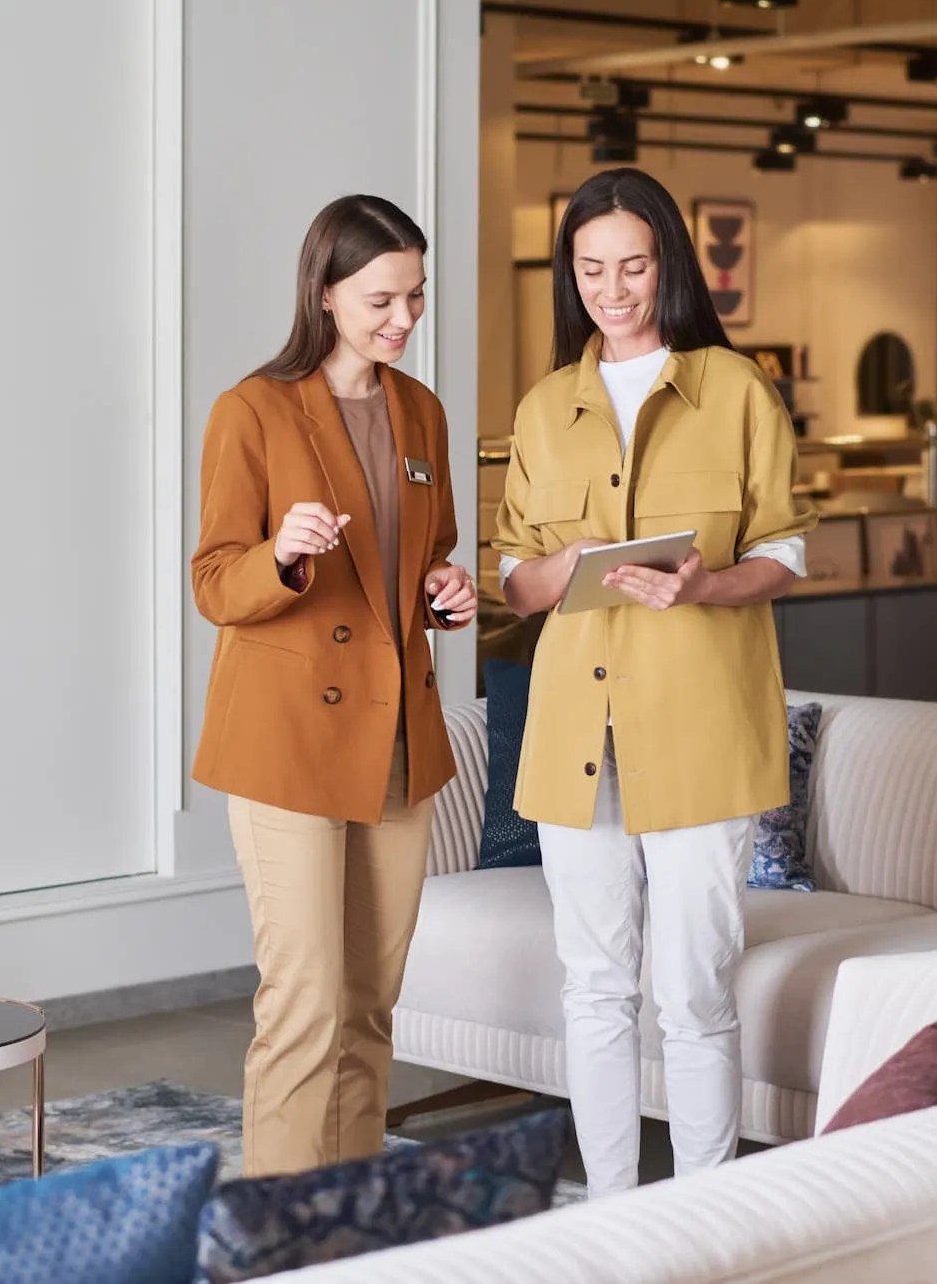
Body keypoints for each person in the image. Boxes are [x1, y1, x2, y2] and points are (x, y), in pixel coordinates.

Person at [492, 168, 813, 1198]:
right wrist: (565, 562)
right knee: (592, 987)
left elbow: (788, 552)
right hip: (573, 731)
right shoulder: (545, 408)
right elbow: (512, 575)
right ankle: (609, 1216)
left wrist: (708, 583)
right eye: (590, 269)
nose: (612, 288)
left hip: (701, 729)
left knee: (692, 988)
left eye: (631, 265)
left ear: (667, 263)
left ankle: (708, 1217)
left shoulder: (737, 391)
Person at [191, 194, 477, 1177]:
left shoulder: (420, 411)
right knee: (305, 1001)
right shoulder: (252, 410)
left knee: (368, 1002)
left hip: (397, 743)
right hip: (287, 747)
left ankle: (348, 1217)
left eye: (415, 296)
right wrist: (279, 551)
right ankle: (271, 1228)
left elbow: (422, 559)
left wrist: (444, 590)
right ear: (324, 293)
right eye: (381, 298)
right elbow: (213, 582)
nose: (402, 318)